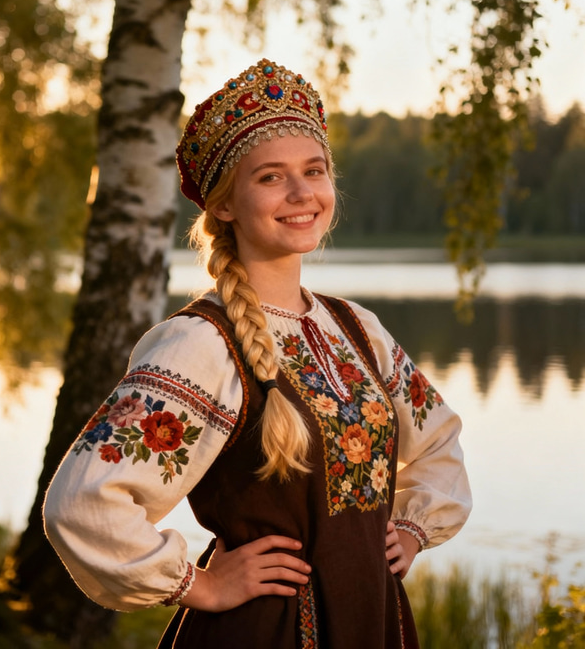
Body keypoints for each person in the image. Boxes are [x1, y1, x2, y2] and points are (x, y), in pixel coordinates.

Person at [43, 59, 472, 648]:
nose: (302, 194)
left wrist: (412, 529)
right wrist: (199, 585)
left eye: (313, 171)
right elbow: (83, 503)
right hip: (264, 631)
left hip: (373, 620)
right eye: (270, 177)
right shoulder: (199, 344)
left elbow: (439, 440)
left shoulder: (357, 329)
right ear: (225, 204)